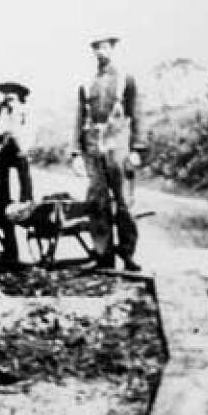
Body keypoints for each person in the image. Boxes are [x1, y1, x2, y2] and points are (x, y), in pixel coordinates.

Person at [71, 33, 146, 271]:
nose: (100, 52)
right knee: (97, 203)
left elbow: (138, 115)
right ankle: (103, 255)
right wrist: (76, 154)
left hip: (119, 145)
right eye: (95, 48)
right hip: (94, 147)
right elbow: (79, 119)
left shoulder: (126, 79)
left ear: (113, 49)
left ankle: (127, 253)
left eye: (104, 47)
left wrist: (137, 149)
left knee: (123, 202)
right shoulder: (86, 82)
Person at [0, 81, 35, 261]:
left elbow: (29, 138)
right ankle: (10, 249)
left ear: (19, 96)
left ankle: (26, 250)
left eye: (12, 96)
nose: (8, 99)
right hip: (2, 159)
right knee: (2, 203)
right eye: (5, 95)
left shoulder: (26, 112)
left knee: (25, 202)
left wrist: (17, 139)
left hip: (20, 156)